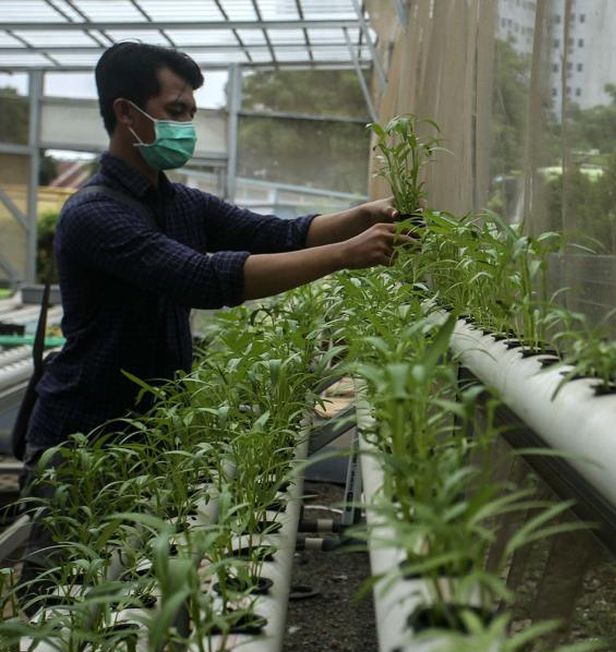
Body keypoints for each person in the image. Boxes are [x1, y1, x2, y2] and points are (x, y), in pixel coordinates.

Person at [17, 42, 410, 599]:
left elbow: (277, 233)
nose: (186, 126)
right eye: (175, 111)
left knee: (126, 601)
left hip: (150, 438)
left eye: (190, 114)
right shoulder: (94, 213)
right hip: (83, 445)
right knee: (61, 605)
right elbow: (203, 279)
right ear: (127, 112)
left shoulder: (181, 203)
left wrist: (358, 218)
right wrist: (347, 254)